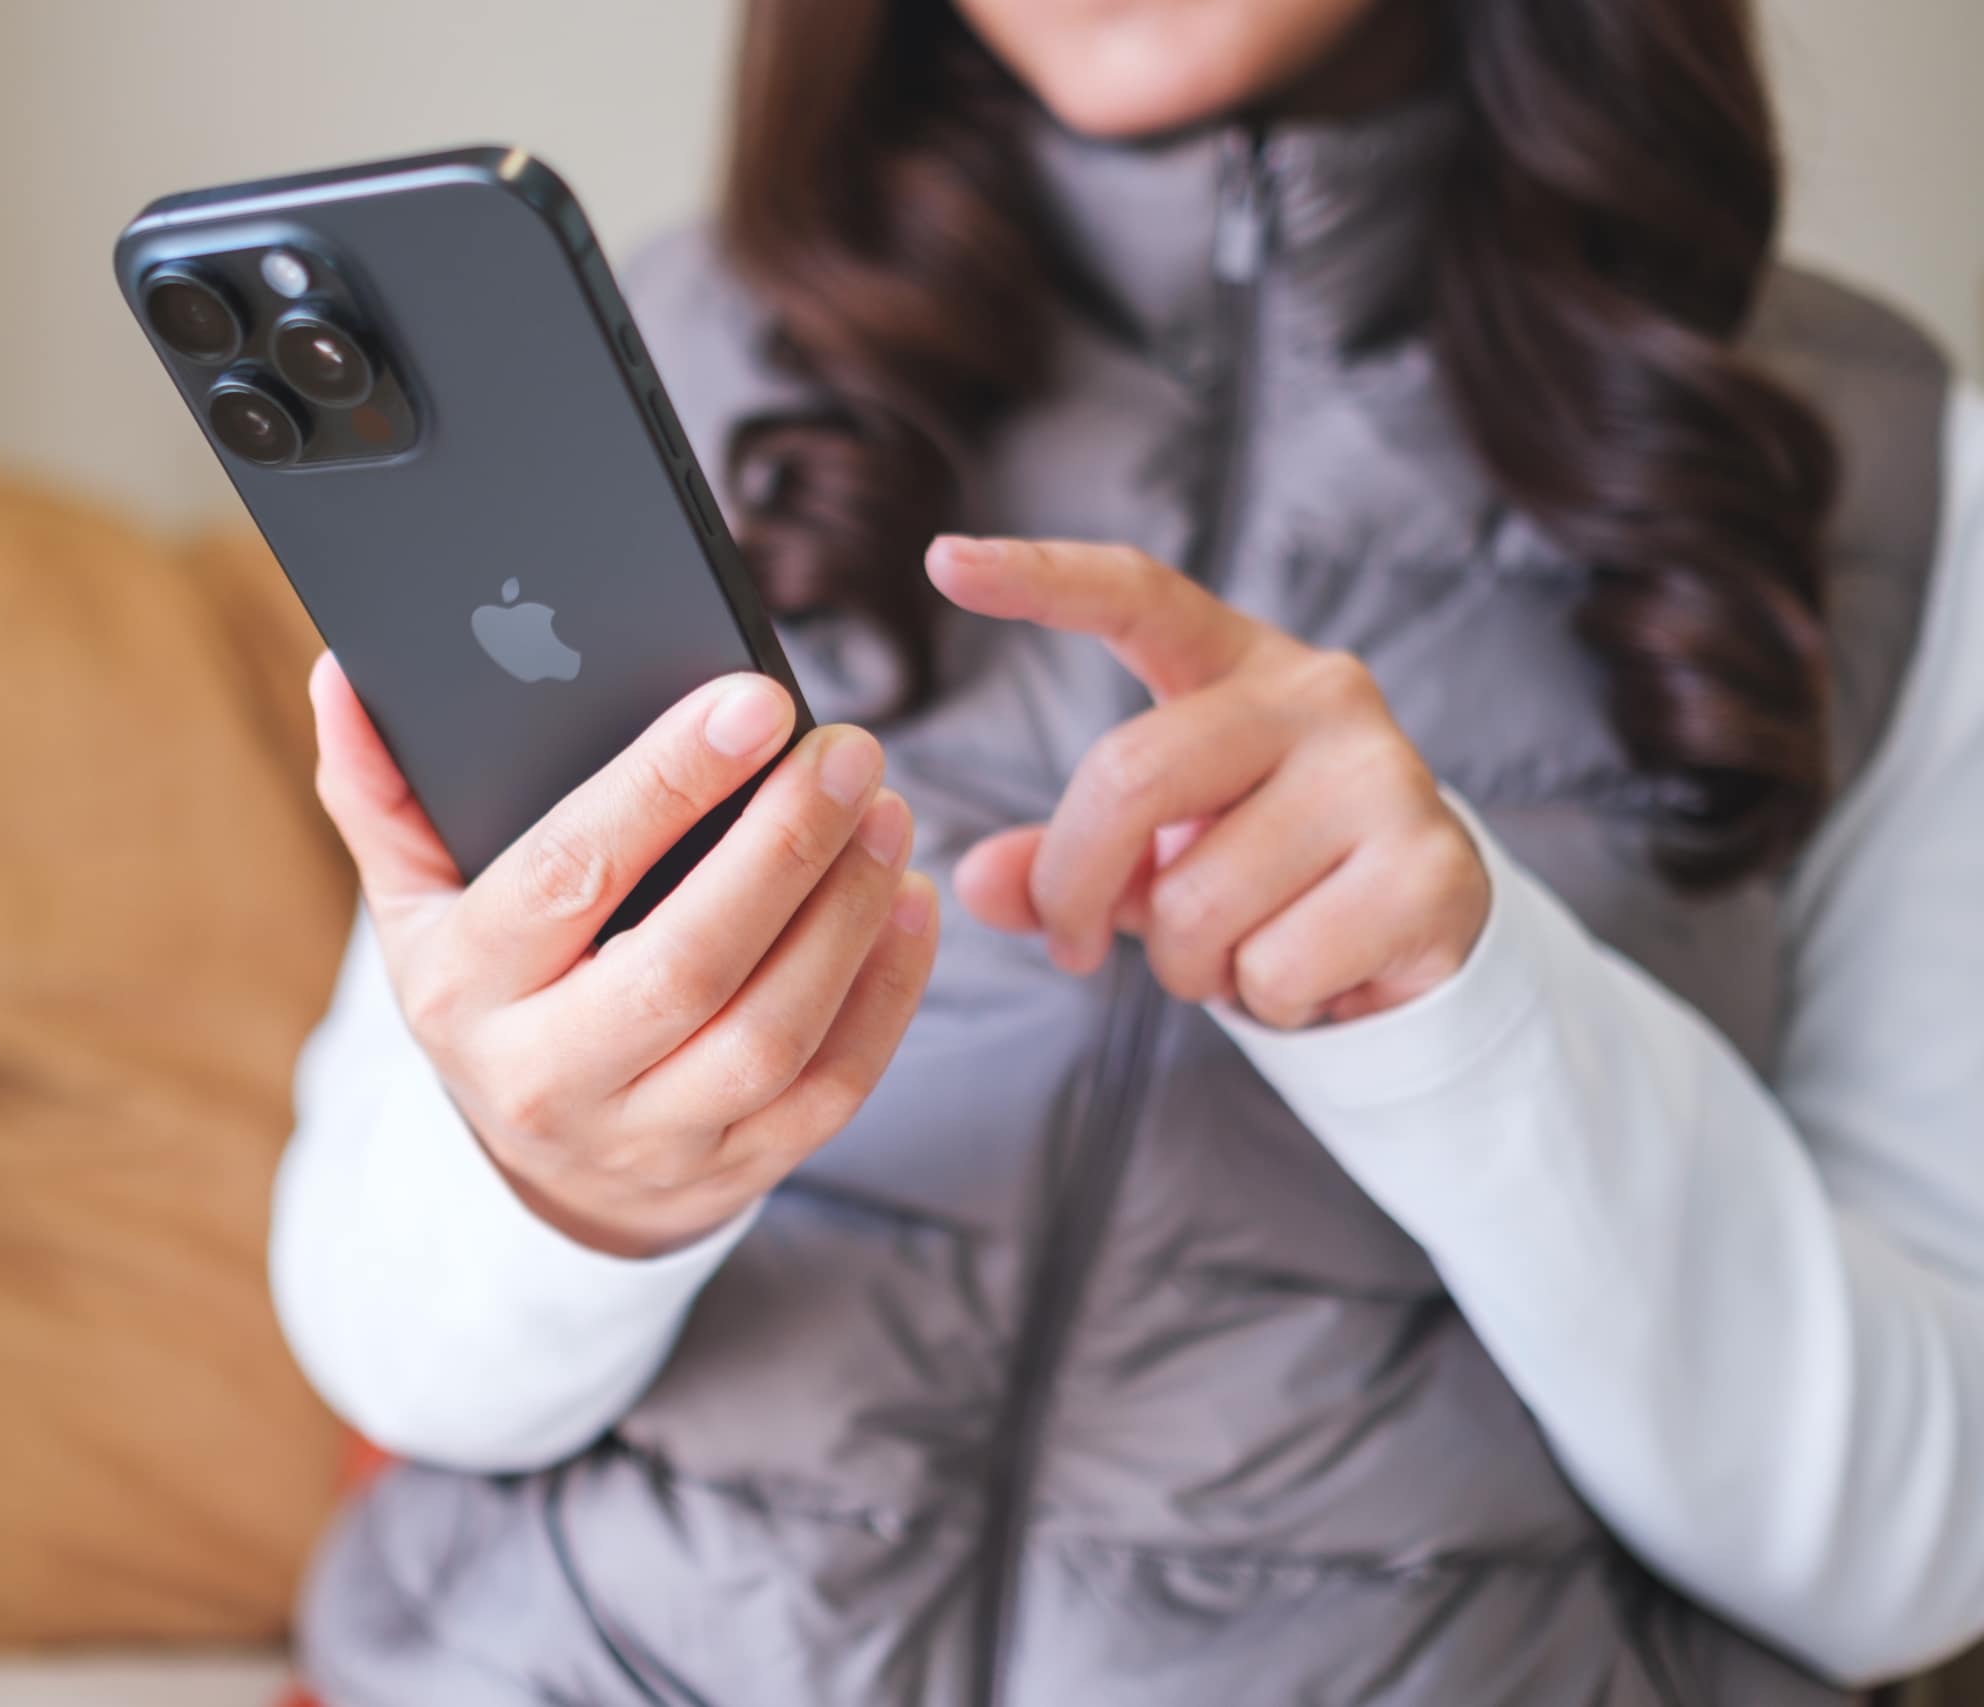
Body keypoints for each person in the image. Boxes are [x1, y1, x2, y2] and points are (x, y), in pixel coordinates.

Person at [273, 0, 1984, 1699]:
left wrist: (1476, 1019)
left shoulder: (1894, 477)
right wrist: (568, 1185)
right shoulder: (675, 346)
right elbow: (397, 1359)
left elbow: (1915, 1558)